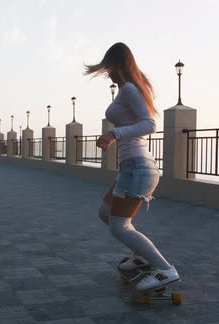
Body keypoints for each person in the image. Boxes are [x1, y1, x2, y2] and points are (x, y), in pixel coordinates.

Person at [84, 42, 179, 291]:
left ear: (117, 65)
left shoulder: (129, 90)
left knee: (120, 226)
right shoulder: (128, 89)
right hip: (130, 167)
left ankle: (164, 270)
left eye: (109, 68)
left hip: (138, 167)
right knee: (106, 213)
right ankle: (141, 257)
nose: (108, 74)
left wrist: (114, 133)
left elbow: (150, 125)